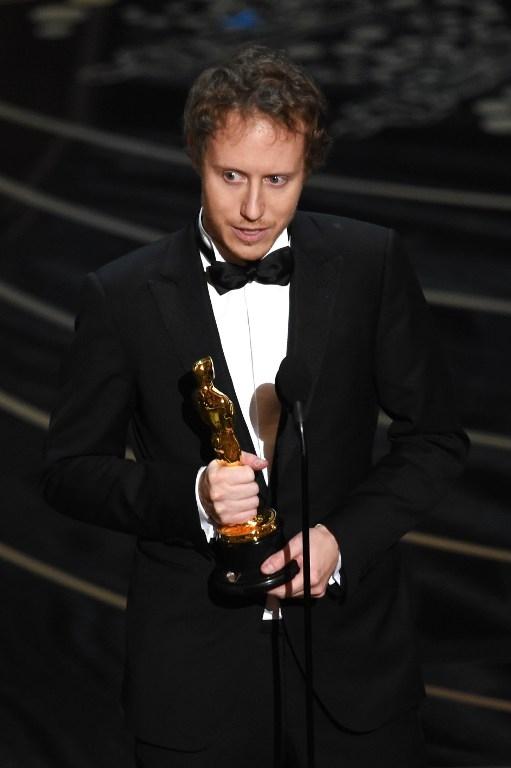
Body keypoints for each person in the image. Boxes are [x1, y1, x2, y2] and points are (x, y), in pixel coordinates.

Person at [42, 45, 469, 767]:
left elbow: (434, 438)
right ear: (196, 157)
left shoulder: (369, 264)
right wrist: (195, 498)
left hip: (354, 670)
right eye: (231, 175)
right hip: (193, 676)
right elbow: (69, 470)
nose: (252, 208)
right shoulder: (121, 294)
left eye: (277, 180)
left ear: (308, 168)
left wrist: (342, 540)